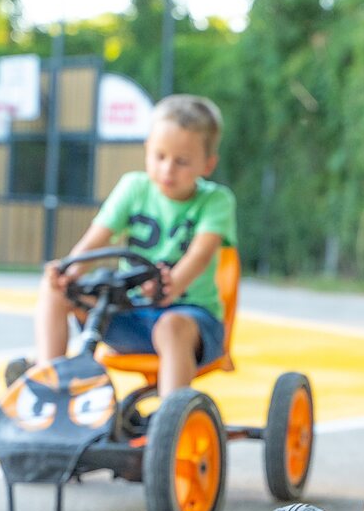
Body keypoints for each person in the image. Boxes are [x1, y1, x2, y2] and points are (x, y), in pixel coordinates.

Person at [15, 93, 236, 397]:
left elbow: (200, 254)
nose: (168, 169)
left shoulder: (215, 200)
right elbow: (95, 241)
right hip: (130, 314)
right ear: (147, 150)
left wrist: (171, 285)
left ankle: (169, 421)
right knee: (55, 289)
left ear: (208, 164)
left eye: (182, 161)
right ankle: (49, 381)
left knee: (170, 327)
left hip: (192, 321)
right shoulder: (134, 188)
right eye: (160, 156)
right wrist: (70, 270)